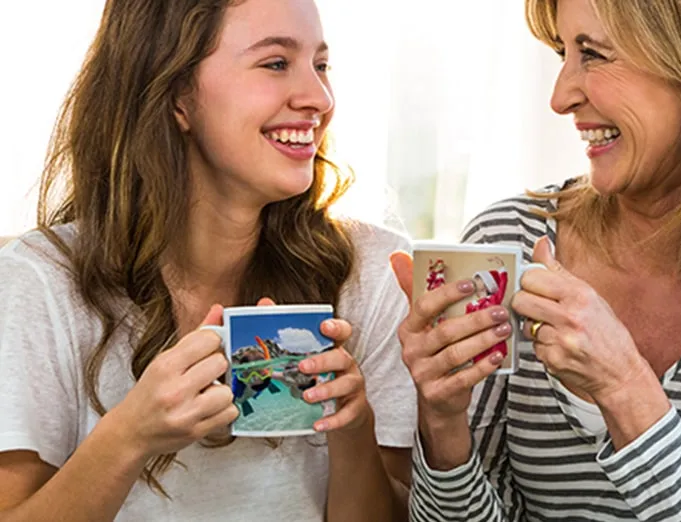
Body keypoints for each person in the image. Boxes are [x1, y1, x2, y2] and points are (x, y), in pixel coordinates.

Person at [0, 1, 415, 521]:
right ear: (176, 95)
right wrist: (128, 438)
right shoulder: (40, 280)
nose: (319, 98)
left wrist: (352, 428)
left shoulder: (373, 272)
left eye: (321, 65)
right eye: (275, 63)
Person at [391, 0, 681, 520]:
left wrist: (624, 388)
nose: (560, 97)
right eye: (564, 52)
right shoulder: (510, 240)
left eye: (594, 54)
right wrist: (443, 425)